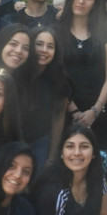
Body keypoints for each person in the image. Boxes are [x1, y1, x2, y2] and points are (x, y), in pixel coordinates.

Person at [56, 0, 107, 145]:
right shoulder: (56, 31)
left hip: (100, 110)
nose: (81, 1)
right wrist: (73, 110)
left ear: (95, 3)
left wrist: (95, 110)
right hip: (65, 109)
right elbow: (56, 74)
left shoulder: (106, 32)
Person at [23, 26, 71, 168]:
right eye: (39, 44)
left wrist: (51, 157)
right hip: (13, 141)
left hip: (41, 140)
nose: (44, 50)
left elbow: (58, 119)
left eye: (50, 46)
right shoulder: (18, 74)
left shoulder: (59, 80)